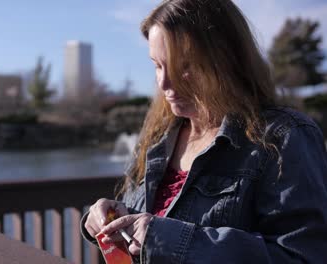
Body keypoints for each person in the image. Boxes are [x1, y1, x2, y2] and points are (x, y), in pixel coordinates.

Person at [81, 0, 327, 263]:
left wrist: (166, 238)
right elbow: (144, 225)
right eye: (157, 65)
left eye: (183, 67)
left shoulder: (283, 137)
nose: (164, 82)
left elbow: (303, 256)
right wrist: (111, 217)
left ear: (226, 59)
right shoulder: (158, 136)